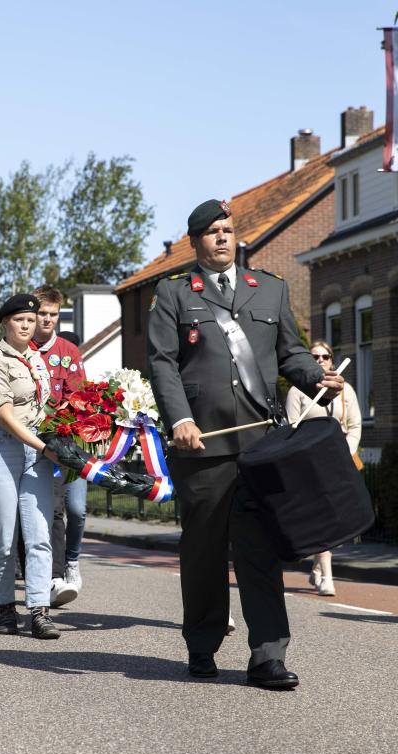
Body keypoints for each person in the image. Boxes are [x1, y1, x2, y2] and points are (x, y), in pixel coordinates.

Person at [148, 199, 343, 687]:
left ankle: (267, 656)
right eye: (212, 231)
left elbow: (291, 353)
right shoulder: (173, 294)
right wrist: (181, 419)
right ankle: (202, 644)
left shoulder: (270, 291)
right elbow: (163, 363)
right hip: (203, 447)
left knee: (260, 551)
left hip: (260, 444)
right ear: (194, 242)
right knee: (204, 552)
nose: (221, 238)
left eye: (227, 230)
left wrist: (316, 378)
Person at [0, 293, 61, 639]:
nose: (27, 326)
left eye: (31, 320)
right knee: (4, 535)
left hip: (37, 452)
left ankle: (39, 610)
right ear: (5, 323)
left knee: (39, 534)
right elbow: (6, 416)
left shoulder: (38, 360)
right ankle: (5, 608)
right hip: (3, 448)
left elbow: (45, 406)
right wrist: (43, 445)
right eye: (20, 320)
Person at [285, 339, 362, 596]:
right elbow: (292, 428)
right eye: (314, 357)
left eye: (325, 357)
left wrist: (345, 453)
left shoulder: (346, 391)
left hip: (337, 460)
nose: (320, 361)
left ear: (332, 359)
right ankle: (327, 575)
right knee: (321, 517)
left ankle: (318, 568)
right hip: (309, 464)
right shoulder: (297, 392)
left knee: (335, 519)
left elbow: (355, 426)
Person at [32, 285, 88, 607]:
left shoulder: (69, 351)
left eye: (54, 314)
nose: (48, 320)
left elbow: (78, 396)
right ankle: (48, 579)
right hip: (32, 445)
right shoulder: (21, 348)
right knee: (48, 512)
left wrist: (62, 424)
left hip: (66, 444)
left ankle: (71, 560)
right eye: (43, 314)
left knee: (77, 510)